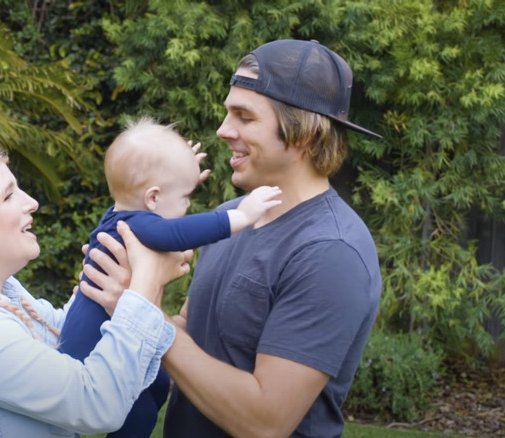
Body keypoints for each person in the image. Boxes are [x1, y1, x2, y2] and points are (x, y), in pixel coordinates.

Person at [92, 40, 383, 437]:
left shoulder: (330, 251)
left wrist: (140, 313)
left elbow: (264, 422)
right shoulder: (234, 218)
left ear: (303, 133)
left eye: (244, 117)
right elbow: (192, 348)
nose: (223, 130)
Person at [0, 140, 193, 438]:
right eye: (9, 195)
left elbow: (62, 334)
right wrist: (145, 280)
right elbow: (96, 404)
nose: (31, 202)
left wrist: (149, 201)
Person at [57, 117, 282, 438]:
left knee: (154, 384)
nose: (188, 205)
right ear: (152, 198)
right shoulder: (142, 225)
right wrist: (242, 215)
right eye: (186, 197)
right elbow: (177, 232)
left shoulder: (120, 214)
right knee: (102, 407)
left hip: (87, 335)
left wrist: (178, 176)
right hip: (90, 347)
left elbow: (162, 205)